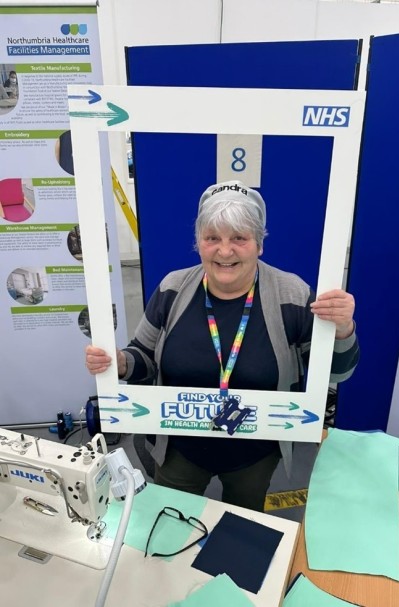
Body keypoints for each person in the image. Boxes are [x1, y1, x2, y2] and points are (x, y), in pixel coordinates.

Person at [86, 180, 359, 511]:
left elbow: (336, 373)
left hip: (254, 453)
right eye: (212, 238)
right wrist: (121, 362)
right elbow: (143, 355)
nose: (224, 251)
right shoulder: (172, 288)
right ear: (198, 243)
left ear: (259, 244)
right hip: (179, 446)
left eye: (239, 239)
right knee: (170, 523)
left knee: (241, 529)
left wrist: (343, 330)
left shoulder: (292, 295)